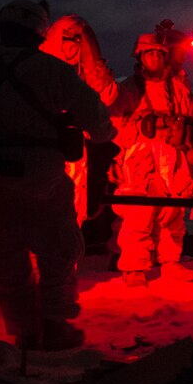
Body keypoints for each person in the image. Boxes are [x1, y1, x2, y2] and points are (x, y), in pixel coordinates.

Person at [0, 0, 116, 350]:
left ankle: (24, 330)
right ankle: (54, 326)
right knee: (58, 250)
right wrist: (102, 135)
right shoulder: (53, 71)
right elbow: (95, 118)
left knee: (5, 254)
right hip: (43, 175)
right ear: (40, 33)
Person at [109, 31, 193, 286]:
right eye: (150, 53)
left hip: (173, 153)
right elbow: (115, 123)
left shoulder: (177, 88)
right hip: (140, 155)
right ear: (140, 56)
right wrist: (116, 157)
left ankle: (171, 262)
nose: (155, 57)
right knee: (139, 213)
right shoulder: (128, 89)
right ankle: (134, 269)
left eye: (160, 53)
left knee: (172, 212)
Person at [40, 14, 118, 225]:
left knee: (72, 214)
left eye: (78, 40)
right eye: (68, 38)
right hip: (45, 152)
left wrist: (94, 65)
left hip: (74, 153)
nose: (74, 45)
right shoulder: (41, 70)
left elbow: (106, 98)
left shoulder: (84, 76)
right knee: (43, 213)